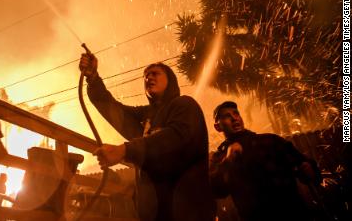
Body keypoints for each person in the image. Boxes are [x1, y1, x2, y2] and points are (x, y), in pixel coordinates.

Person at [79, 54, 214, 221]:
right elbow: (114, 110)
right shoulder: (145, 117)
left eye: (155, 73)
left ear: (170, 80)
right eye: (146, 76)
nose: (149, 77)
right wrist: (93, 79)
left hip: (189, 212)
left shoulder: (185, 105)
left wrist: (124, 150)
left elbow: (177, 137)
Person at [209, 101, 321, 221]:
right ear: (218, 126)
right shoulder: (219, 158)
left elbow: (305, 165)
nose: (234, 118)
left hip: (294, 214)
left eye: (236, 114)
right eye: (226, 116)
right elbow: (217, 191)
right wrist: (229, 161)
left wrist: (309, 169)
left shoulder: (270, 140)